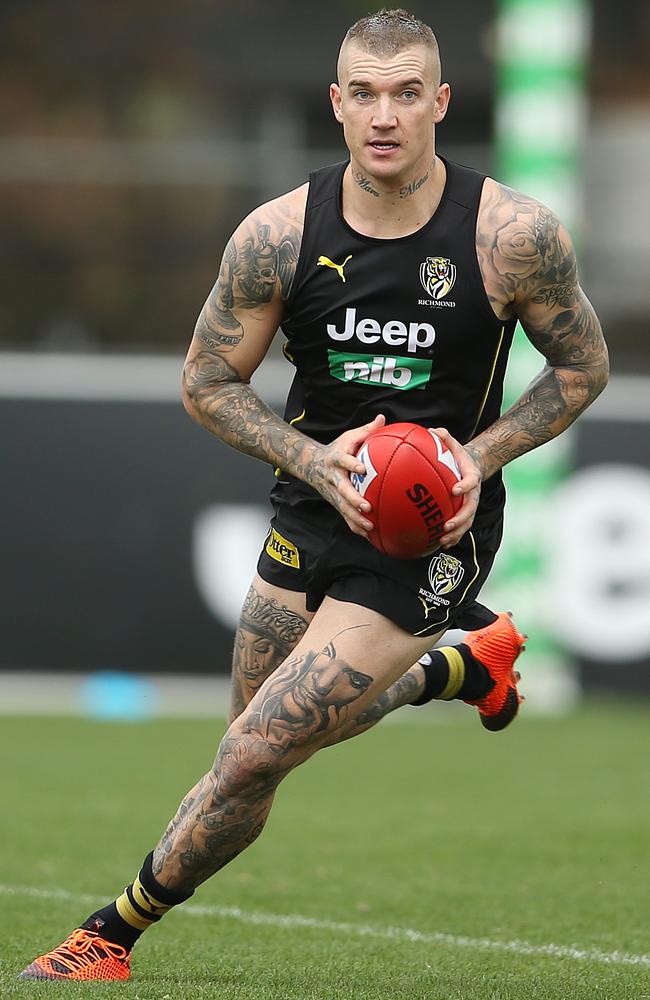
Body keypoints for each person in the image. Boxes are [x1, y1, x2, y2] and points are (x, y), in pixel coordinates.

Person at [21, 8, 608, 982]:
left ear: (439, 103)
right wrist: (309, 460)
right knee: (257, 750)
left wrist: (478, 457)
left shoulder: (511, 236)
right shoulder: (277, 237)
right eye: (364, 93)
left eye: (406, 92)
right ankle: (465, 671)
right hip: (310, 507)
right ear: (336, 104)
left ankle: (110, 931)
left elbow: (580, 368)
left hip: (433, 534)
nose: (384, 114)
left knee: (254, 751)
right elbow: (204, 381)